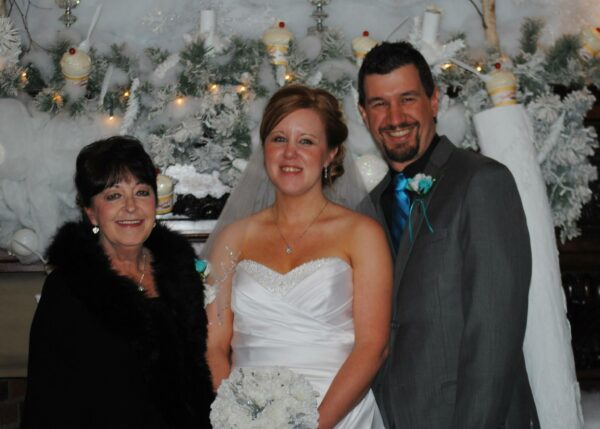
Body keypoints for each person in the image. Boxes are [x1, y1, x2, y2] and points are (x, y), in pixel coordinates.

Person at [357, 41, 539, 428]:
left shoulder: (481, 181)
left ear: (434, 100)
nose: (394, 116)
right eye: (379, 103)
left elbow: (494, 334)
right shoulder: (367, 209)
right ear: (363, 114)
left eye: (407, 98)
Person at [204, 84, 392, 428]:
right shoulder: (233, 238)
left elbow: (373, 346)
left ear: (331, 153)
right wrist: (237, 415)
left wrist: (316, 425)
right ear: (265, 150)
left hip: (341, 416)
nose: (290, 153)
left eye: (306, 141)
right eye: (279, 139)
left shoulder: (362, 235)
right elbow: (214, 344)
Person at [23, 136, 213, 428]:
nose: (131, 207)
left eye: (141, 192)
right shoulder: (69, 289)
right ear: (90, 211)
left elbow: (195, 381)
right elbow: (47, 401)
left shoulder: (180, 274)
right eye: (114, 195)